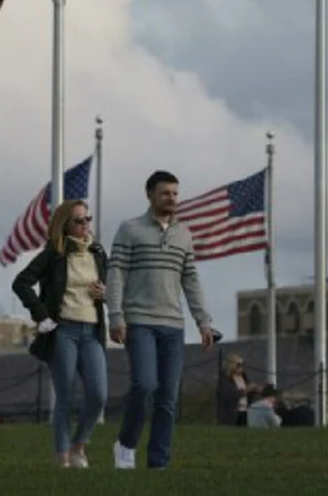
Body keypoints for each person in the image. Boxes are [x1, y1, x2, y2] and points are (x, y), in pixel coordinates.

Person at [107, 170, 215, 471]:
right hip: (139, 320)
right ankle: (126, 444)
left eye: (175, 193)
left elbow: (191, 279)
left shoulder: (184, 234)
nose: (172, 198)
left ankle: (158, 464)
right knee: (144, 384)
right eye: (166, 193)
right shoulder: (129, 229)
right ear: (150, 195)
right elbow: (115, 273)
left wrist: (203, 321)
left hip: (173, 324)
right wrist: (115, 315)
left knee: (167, 397)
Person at [12, 199, 109, 469]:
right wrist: (41, 315)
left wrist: (107, 293)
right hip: (63, 331)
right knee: (65, 396)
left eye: (87, 219)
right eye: (78, 220)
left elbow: (112, 288)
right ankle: (62, 457)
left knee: (99, 395)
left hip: (92, 332)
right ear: (65, 225)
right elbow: (21, 283)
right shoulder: (54, 253)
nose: (85, 225)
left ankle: (79, 446)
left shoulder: (98, 253)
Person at [217, 353, 253, 426]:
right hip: (232, 412)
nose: (241, 367)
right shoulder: (225, 379)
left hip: (245, 411)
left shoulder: (244, 377)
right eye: (238, 364)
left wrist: (253, 390)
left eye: (242, 364)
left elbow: (249, 394)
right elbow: (228, 395)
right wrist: (245, 391)